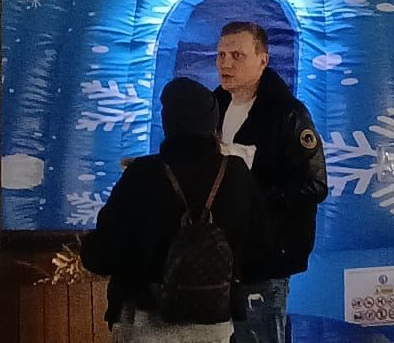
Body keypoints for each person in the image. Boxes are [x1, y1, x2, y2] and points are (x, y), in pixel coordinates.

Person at [85, 78, 277, 343]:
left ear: (168, 120)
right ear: (212, 121)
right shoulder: (236, 174)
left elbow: (102, 255)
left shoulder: (142, 174)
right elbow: (264, 250)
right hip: (215, 328)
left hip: (145, 325)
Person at [213, 22, 328, 343]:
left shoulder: (288, 114)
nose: (225, 63)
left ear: (263, 60)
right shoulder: (211, 107)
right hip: (219, 256)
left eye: (237, 55)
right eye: (220, 55)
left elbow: (315, 185)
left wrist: (254, 199)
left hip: (266, 257)